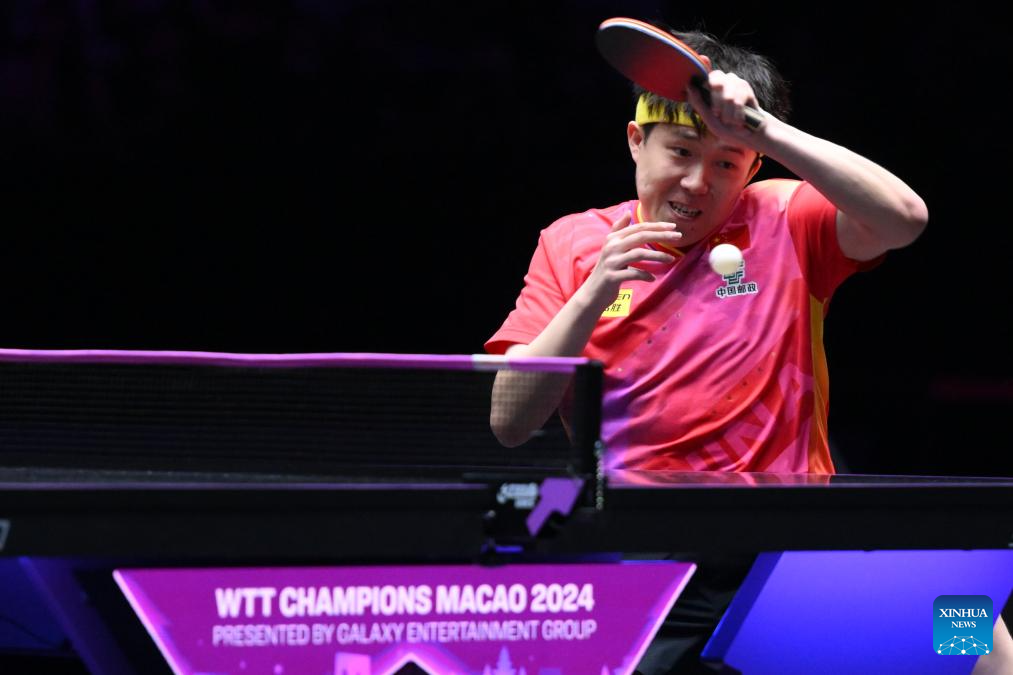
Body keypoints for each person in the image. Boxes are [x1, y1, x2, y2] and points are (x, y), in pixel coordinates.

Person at [484, 24, 929, 673]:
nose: (697, 181)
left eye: (726, 162)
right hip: (646, 550)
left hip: (792, 542)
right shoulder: (572, 243)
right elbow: (509, 420)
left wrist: (764, 129)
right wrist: (591, 294)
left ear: (753, 166)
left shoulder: (783, 217)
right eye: (680, 151)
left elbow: (904, 218)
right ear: (636, 141)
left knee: (971, 631)